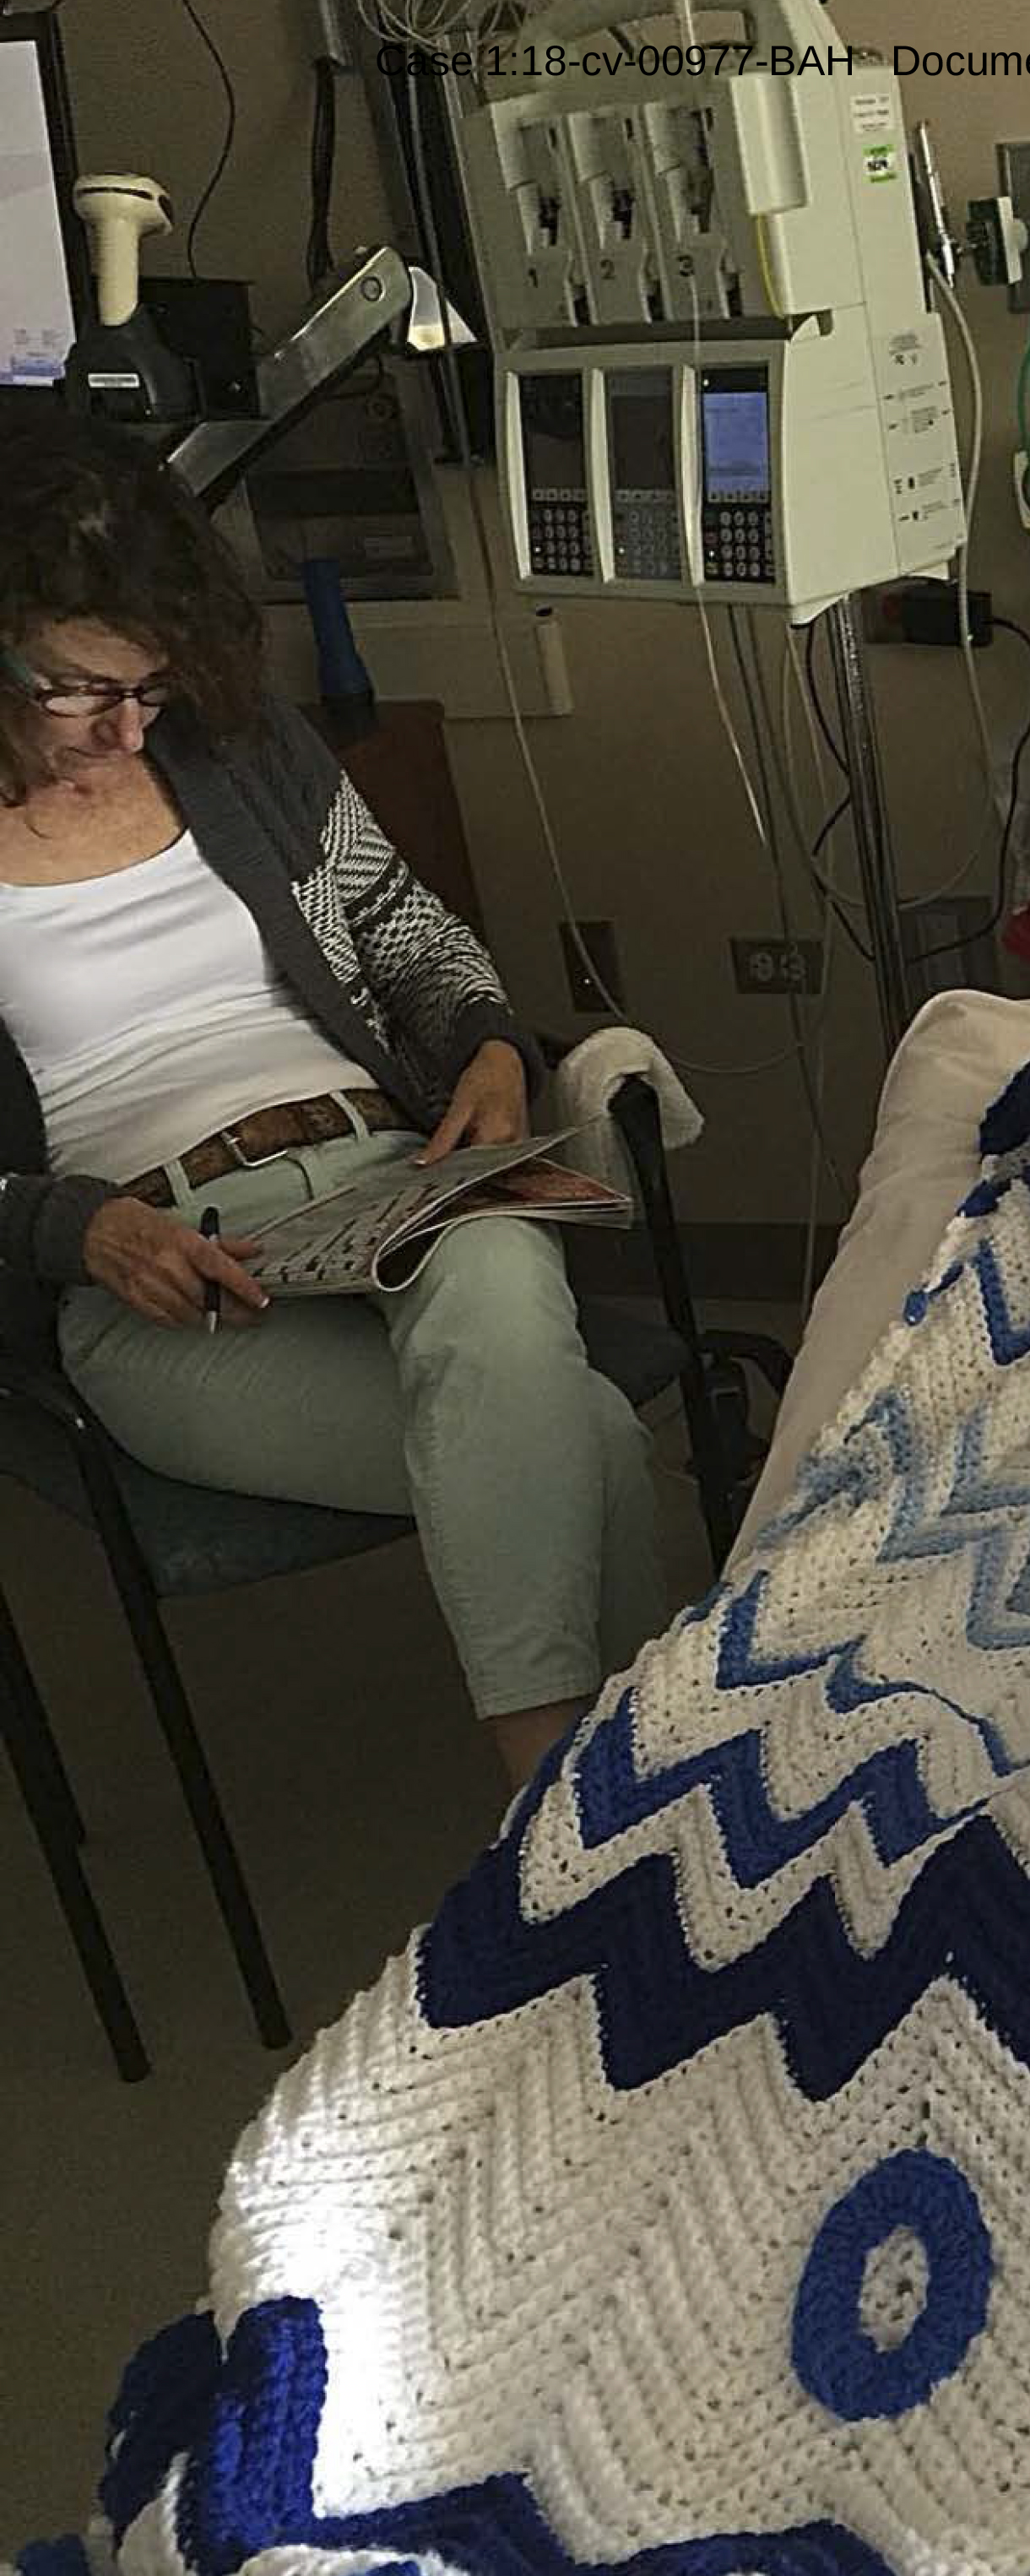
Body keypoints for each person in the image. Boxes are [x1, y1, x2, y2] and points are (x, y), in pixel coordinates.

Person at [0, 416, 672, 1791]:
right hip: (168, 1276)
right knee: (587, 1434)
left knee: (495, 1278)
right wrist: (82, 1231)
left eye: (150, 689)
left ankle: (562, 1821)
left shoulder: (243, 750)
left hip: (388, 1176)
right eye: (81, 693)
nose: (127, 732)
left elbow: (403, 929)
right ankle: (614, 1802)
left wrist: (489, 1043)